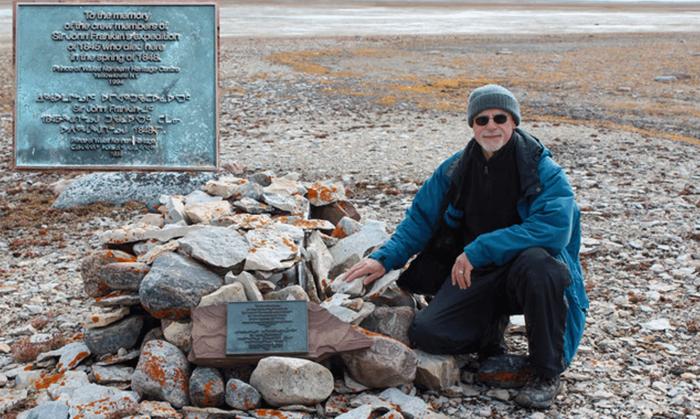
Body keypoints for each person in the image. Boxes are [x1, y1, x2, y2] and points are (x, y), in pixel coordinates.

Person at [343, 84, 588, 409]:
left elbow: (553, 231)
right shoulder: (453, 170)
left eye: (500, 118)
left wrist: (479, 249)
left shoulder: (543, 170)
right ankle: (490, 333)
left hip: (524, 274)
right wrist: (384, 259)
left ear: (513, 122)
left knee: (542, 267)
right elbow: (420, 220)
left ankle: (545, 372)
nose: (491, 126)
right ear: (472, 125)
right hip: (474, 275)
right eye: (482, 119)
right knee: (428, 333)